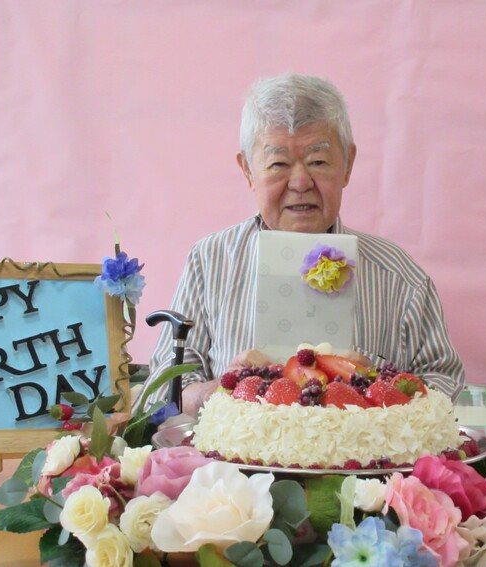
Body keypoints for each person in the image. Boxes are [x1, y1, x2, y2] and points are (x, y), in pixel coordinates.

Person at [139, 72, 465, 417]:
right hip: (231, 468)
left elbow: (443, 381)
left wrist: (378, 389)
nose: (300, 182)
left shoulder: (399, 276)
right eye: (278, 164)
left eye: (318, 162)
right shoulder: (210, 261)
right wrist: (218, 389)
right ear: (248, 170)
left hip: (361, 468)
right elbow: (163, 389)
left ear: (348, 165)